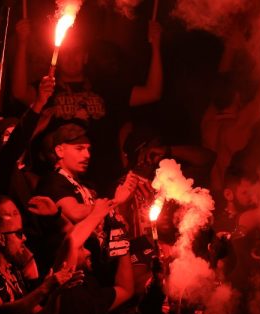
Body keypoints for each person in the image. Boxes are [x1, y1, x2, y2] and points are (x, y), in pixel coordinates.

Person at [11, 18, 162, 192]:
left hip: (104, 178)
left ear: (85, 57)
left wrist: (156, 45)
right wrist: (22, 42)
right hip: (60, 183)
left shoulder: (104, 88)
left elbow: (152, 92)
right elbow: (19, 92)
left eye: (77, 52)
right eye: (66, 52)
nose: (71, 57)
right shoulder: (47, 88)